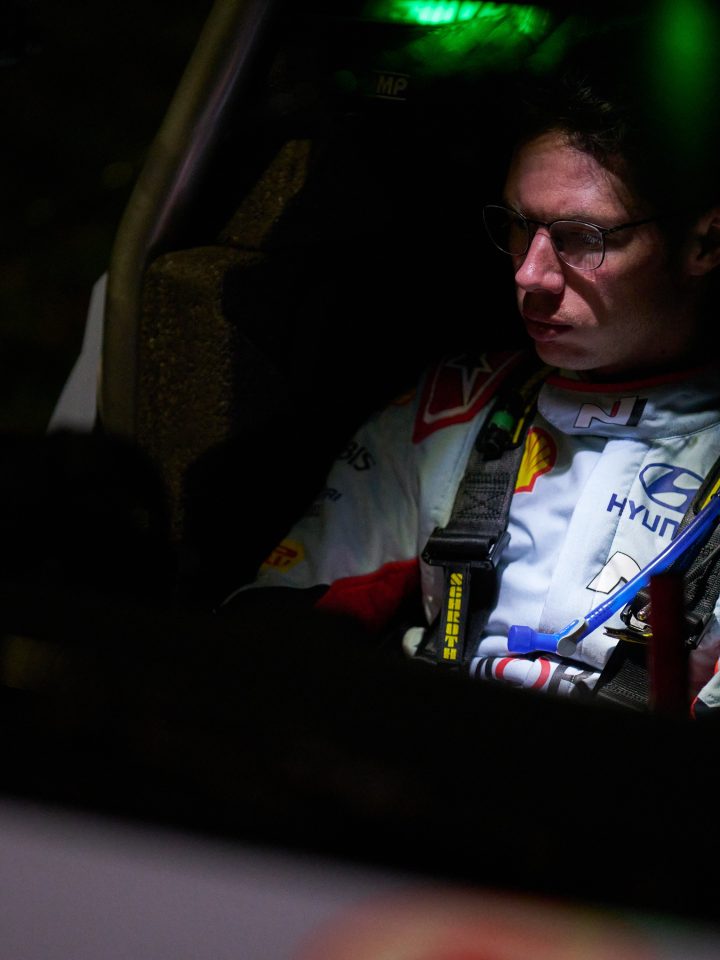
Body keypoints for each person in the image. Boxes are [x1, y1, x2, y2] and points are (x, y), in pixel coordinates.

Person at [222, 26, 720, 716]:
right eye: (519, 225)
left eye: (582, 238)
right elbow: (265, 630)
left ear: (705, 243)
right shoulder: (456, 407)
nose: (529, 274)